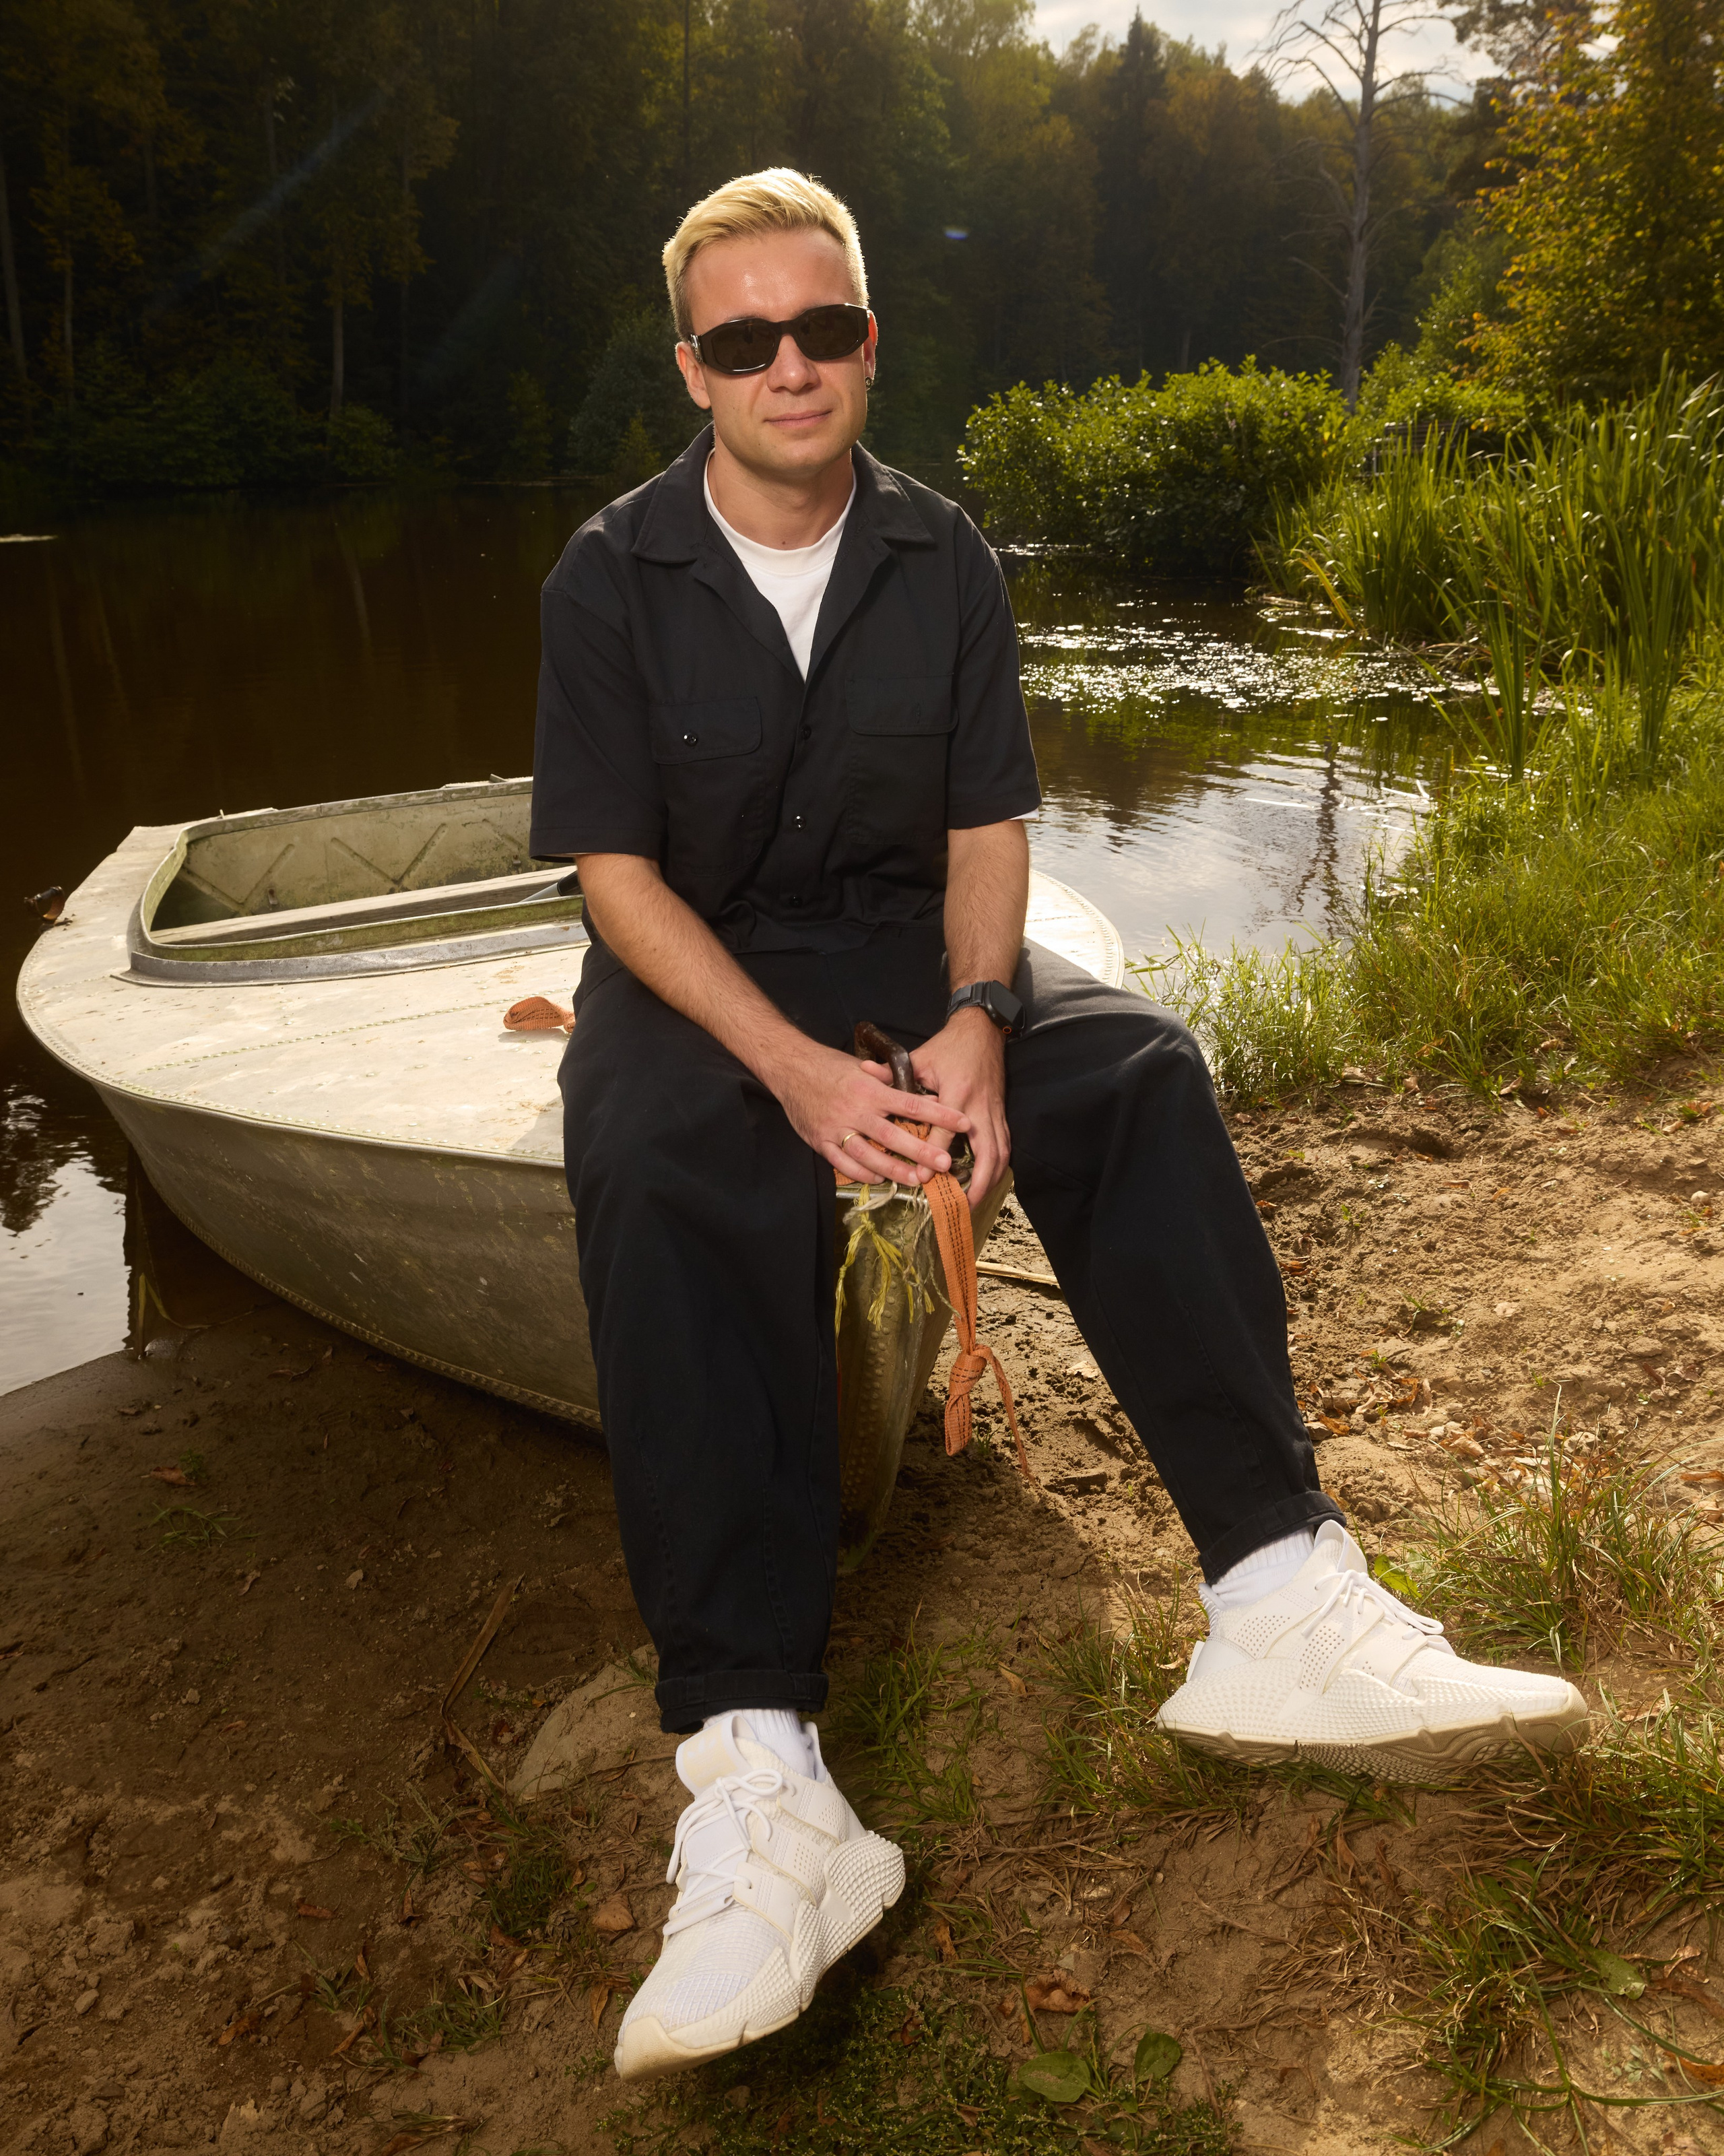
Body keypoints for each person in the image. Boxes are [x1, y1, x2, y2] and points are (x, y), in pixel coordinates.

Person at [530, 168, 1588, 2083]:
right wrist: (787, 1067)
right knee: (660, 1159)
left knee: (1150, 1072)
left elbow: (988, 836)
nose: (793, 366)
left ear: (871, 338)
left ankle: (1276, 1598)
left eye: (826, 326)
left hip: (900, 948)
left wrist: (982, 1023)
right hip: (705, 981)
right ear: (692, 365)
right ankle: (764, 1784)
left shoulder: (945, 556)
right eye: (746, 337)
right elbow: (615, 877)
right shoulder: (610, 576)